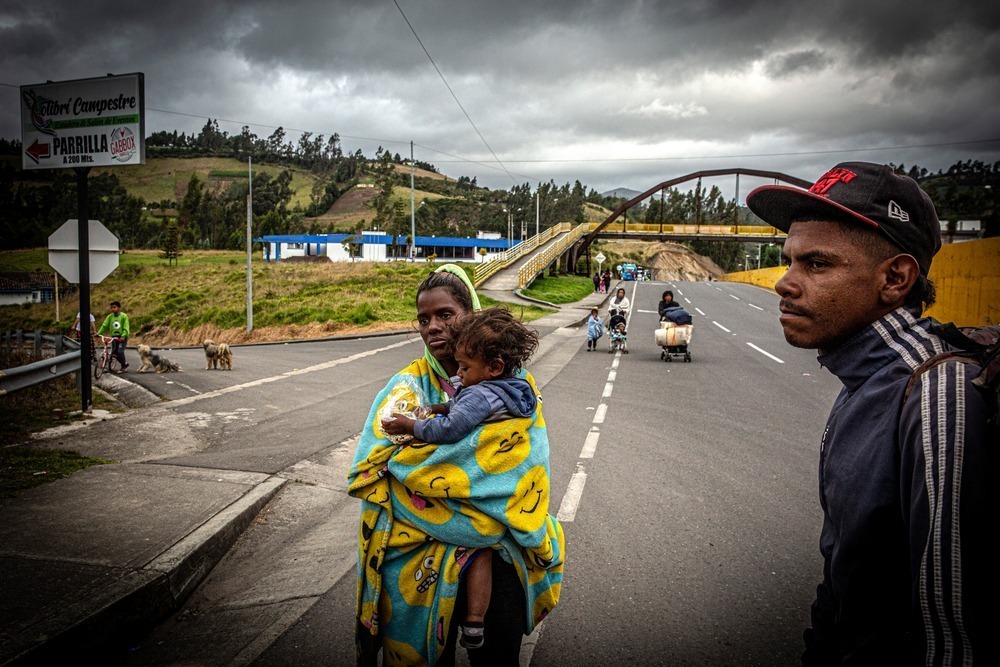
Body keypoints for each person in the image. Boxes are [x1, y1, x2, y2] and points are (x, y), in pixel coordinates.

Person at [746, 161, 992, 665]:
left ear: (895, 278)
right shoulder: (864, 381)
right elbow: (841, 577)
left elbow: (951, 638)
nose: (784, 283)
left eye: (816, 264)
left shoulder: (936, 394)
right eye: (788, 260)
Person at [348, 265, 565, 666]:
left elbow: (525, 462)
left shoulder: (518, 385)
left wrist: (433, 458)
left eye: (445, 314)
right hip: (418, 550)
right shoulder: (406, 388)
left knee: (498, 657)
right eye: (423, 319)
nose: (432, 327)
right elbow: (376, 466)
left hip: (501, 546)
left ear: (470, 315)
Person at [381, 307, 540, 651]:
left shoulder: (481, 393)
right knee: (481, 551)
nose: (459, 373)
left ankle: (473, 620)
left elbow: (453, 429)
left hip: (475, 500)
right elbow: (458, 407)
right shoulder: (515, 387)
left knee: (478, 548)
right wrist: (437, 408)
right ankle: (474, 623)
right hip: (500, 510)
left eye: (465, 368)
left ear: (493, 367)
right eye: (423, 319)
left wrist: (411, 425)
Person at [96, 300, 130, 373]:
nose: (113, 309)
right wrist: (99, 333)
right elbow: (104, 325)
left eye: (114, 307)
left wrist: (123, 337)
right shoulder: (110, 317)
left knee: (119, 351)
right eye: (111, 308)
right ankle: (122, 363)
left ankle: (124, 367)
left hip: (121, 337)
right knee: (114, 353)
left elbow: (126, 327)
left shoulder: (123, 316)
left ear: (119, 308)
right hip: (114, 337)